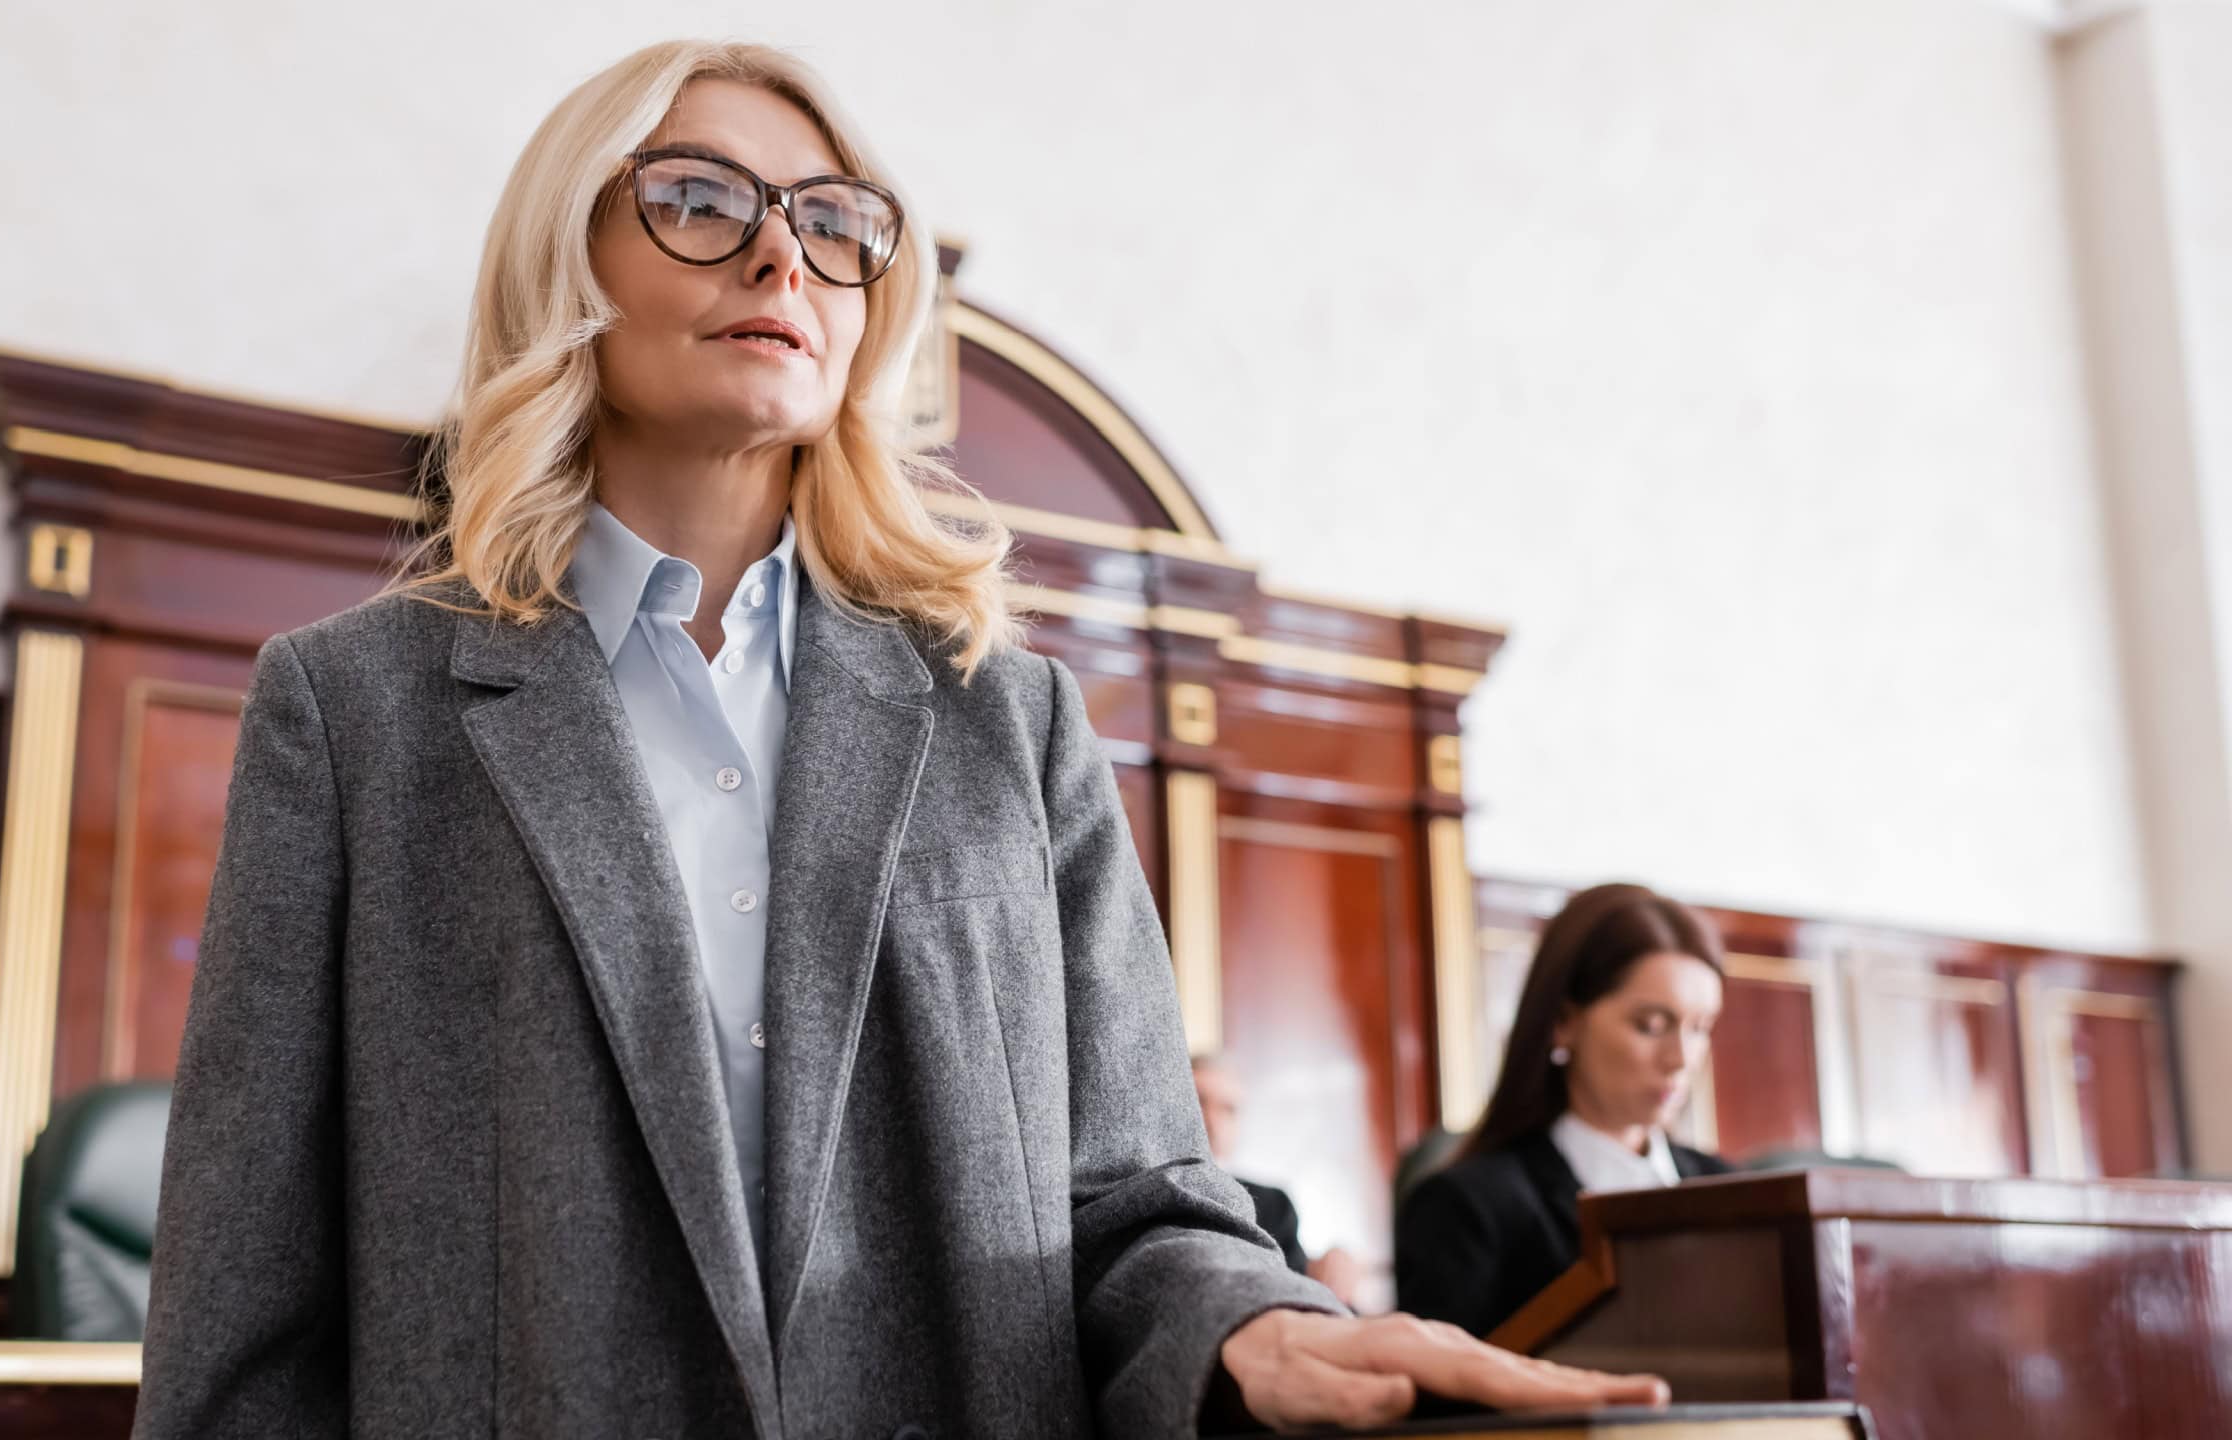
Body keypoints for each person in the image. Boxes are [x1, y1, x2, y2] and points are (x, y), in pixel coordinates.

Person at [131, 39, 1668, 1439]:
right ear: (563, 261)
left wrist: (1255, 1320)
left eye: (832, 222)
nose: (779, 251)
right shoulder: (353, 713)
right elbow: (245, 1316)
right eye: (697, 199)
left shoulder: (1011, 719)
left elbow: (1138, 1196)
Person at [1395, 883, 1734, 1339]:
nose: (1681, 1059)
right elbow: (1446, 1403)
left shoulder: (1733, 1191)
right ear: (1563, 1023)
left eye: (1700, 1028)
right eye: (1651, 1025)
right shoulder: (1466, 1208)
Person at [1191, 1054, 1374, 1309]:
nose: (1212, 1121)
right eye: (1199, 1101)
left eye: (1228, 1109)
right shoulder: (1144, 1194)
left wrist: (1327, 1272)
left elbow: (1301, 1290)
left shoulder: (1274, 1204)